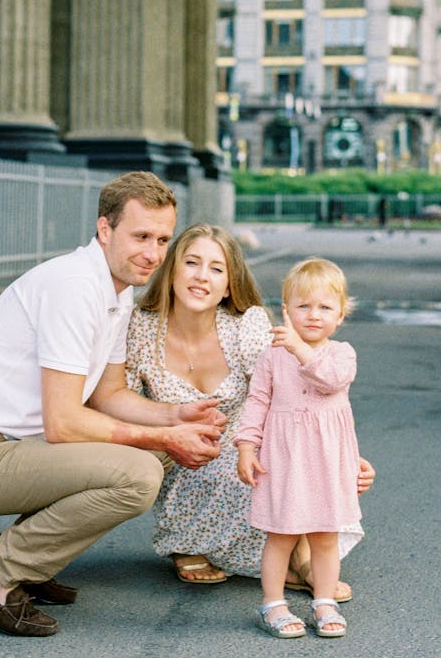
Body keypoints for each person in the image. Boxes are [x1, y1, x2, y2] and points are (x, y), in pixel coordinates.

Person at [0, 172, 226, 637]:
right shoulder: (73, 287)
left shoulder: (117, 291)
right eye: (140, 236)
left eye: (163, 239)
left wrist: (176, 417)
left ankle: (31, 559)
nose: (154, 253)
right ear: (105, 229)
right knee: (139, 474)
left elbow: (109, 395)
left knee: (157, 452)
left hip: (19, 446)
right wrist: (163, 434)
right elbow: (64, 422)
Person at [125, 225, 371, 596]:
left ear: (228, 285)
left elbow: (288, 391)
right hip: (176, 453)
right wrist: (167, 429)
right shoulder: (140, 326)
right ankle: (189, 541)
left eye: (216, 269)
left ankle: (301, 554)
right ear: (172, 270)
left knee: (277, 473)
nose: (201, 277)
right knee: (245, 479)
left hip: (251, 447)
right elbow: (123, 400)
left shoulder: (246, 324)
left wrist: (339, 453)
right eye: (191, 263)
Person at [235, 257, 362, 640]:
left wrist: (300, 351)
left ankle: (324, 601)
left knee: (325, 535)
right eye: (303, 306)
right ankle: (273, 604)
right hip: (285, 459)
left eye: (325, 307)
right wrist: (246, 446)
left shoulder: (342, 354)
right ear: (286, 310)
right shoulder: (272, 356)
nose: (313, 315)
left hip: (326, 460)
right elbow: (256, 402)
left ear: (340, 315)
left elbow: (331, 381)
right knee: (281, 534)